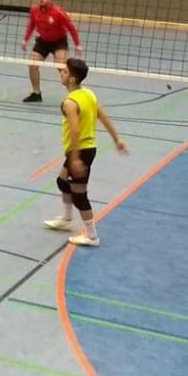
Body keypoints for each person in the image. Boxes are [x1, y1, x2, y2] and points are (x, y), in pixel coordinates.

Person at [44, 58, 129, 247]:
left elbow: (75, 131)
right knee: (62, 182)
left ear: (72, 79)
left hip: (80, 151)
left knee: (79, 195)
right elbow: (103, 116)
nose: (61, 73)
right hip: (86, 149)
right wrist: (117, 139)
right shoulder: (88, 94)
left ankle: (92, 236)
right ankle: (66, 219)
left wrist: (74, 159)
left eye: (64, 72)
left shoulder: (70, 102)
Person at [21, 0, 82, 103]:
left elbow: (71, 27)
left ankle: (74, 94)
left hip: (59, 41)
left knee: (62, 67)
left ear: (51, 0)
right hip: (43, 41)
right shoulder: (34, 10)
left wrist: (77, 44)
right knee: (32, 65)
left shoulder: (58, 12)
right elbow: (32, 25)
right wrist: (25, 39)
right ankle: (36, 94)